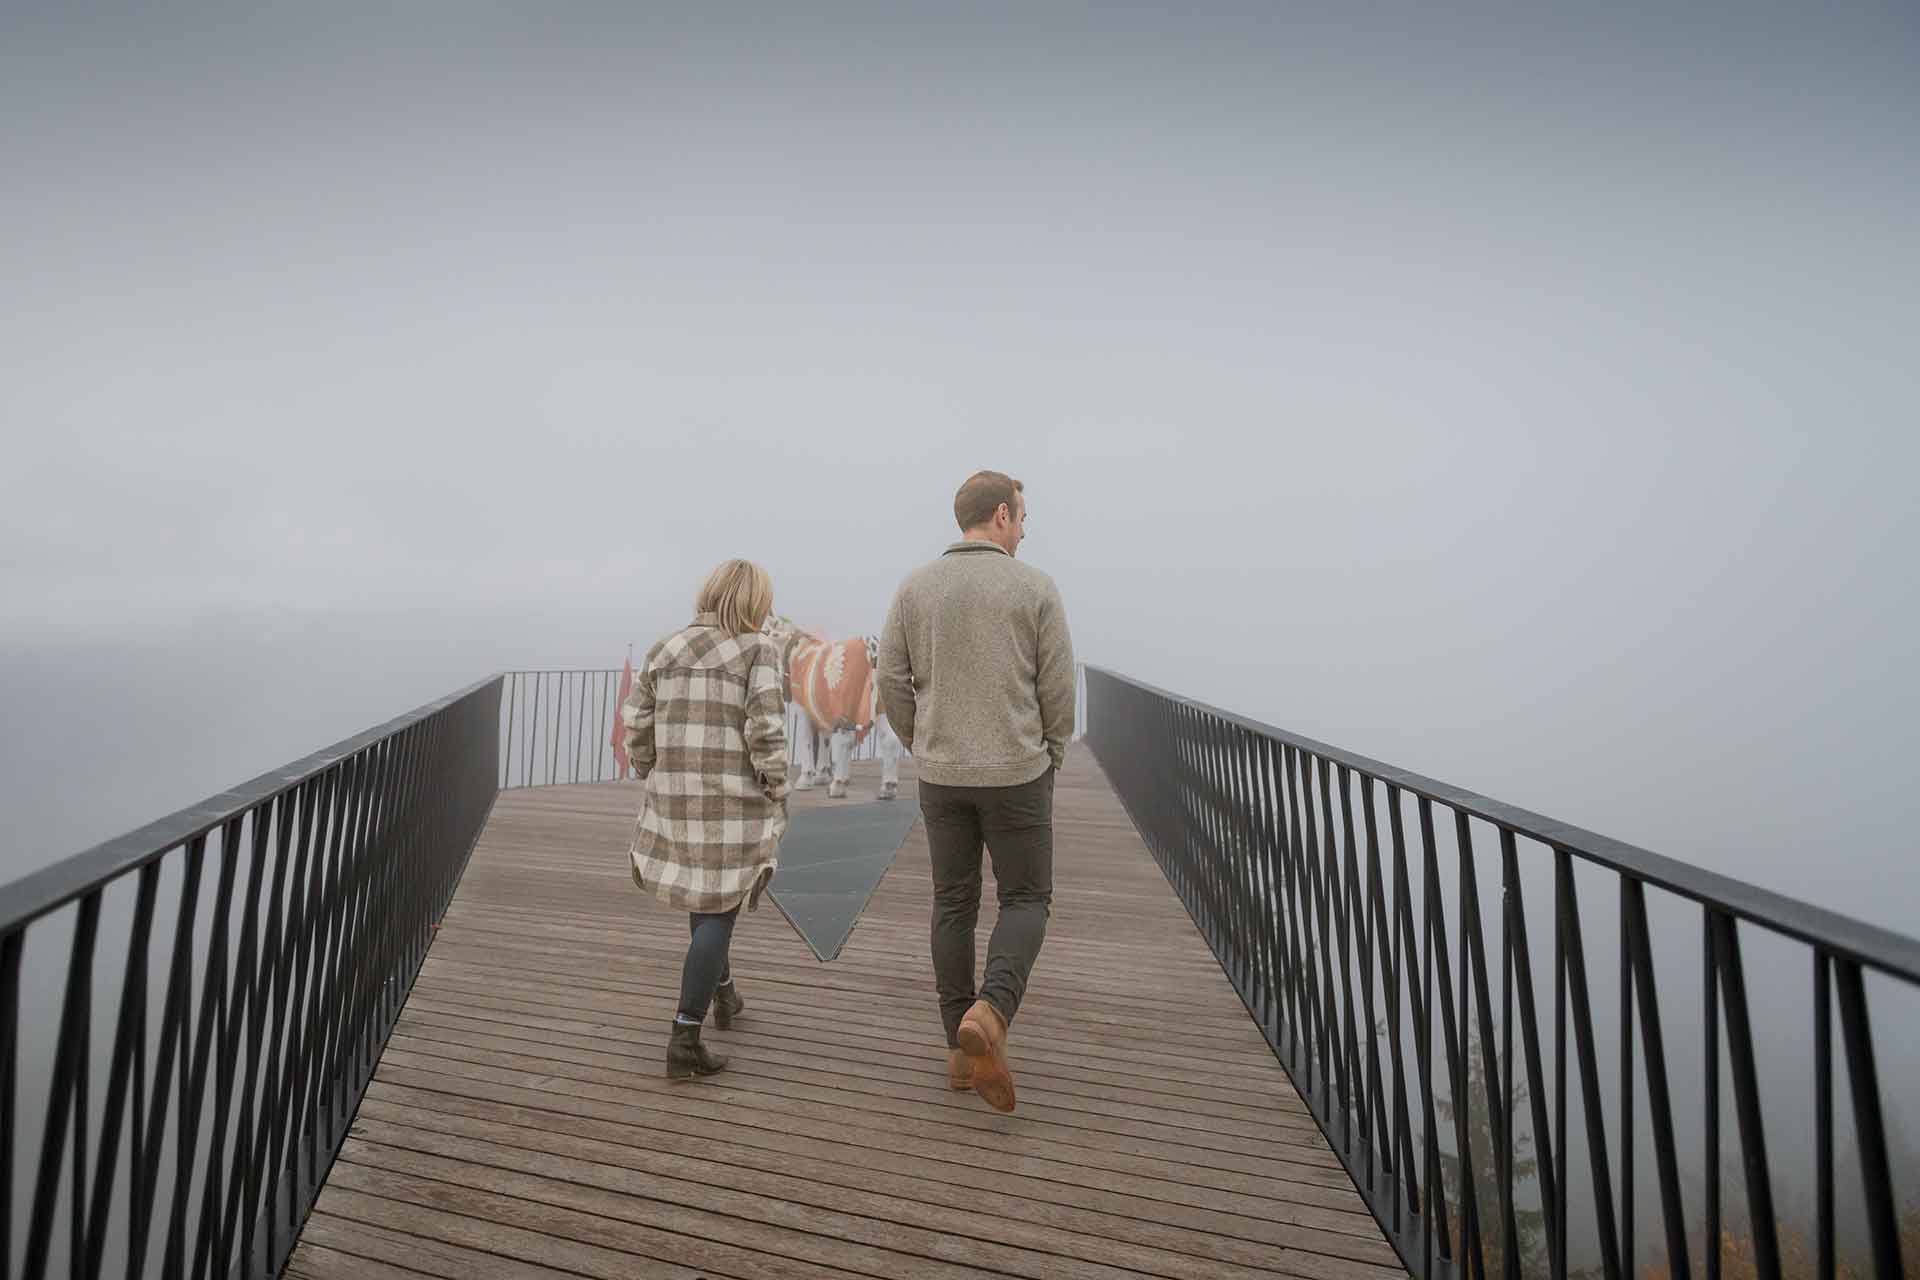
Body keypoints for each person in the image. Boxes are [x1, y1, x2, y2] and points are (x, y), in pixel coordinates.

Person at [877, 470, 1075, 1112]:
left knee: (952, 904)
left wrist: (922, 742)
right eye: (1021, 518)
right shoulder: (1035, 587)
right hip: (1017, 773)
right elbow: (1057, 690)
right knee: (1025, 899)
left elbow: (891, 680)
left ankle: (960, 1056)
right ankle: (991, 1012)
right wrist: (1052, 753)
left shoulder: (914, 588)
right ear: (998, 516)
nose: (1023, 530)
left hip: (942, 775)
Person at [622, 559, 789, 1080]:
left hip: (675, 796)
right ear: (754, 601)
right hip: (732, 802)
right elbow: (765, 728)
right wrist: (777, 785)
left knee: (704, 894)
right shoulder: (758, 650)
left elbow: (637, 724)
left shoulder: (665, 647)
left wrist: (649, 766)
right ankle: (684, 1035)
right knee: (719, 907)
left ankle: (725, 995)